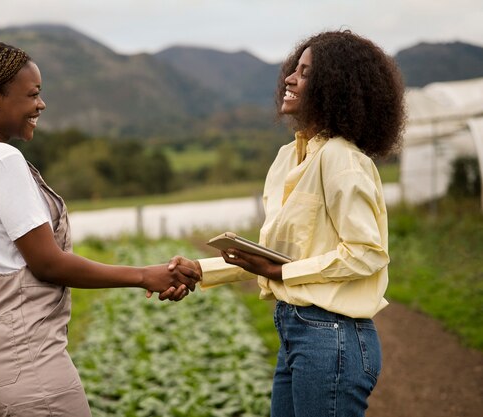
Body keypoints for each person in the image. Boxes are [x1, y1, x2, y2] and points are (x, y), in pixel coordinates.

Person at [0, 40, 200, 417]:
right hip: (24, 358)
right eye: (33, 94)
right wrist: (145, 275)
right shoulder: (2, 159)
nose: (40, 105)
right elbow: (48, 264)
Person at [170, 30, 405, 416]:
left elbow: (367, 253)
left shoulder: (341, 159)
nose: (290, 79)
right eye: (294, 69)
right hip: (297, 332)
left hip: (333, 338)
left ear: (336, 88)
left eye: (306, 73)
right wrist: (201, 270)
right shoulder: (286, 159)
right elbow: (278, 258)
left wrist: (283, 270)